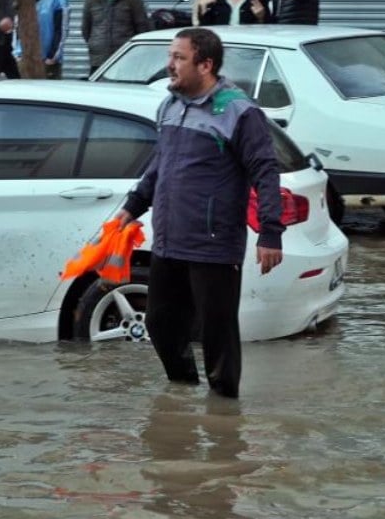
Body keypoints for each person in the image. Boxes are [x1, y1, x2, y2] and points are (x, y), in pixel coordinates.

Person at [115, 28, 283, 399]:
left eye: (179, 58)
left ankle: (224, 417)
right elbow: (160, 165)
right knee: (160, 323)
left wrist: (271, 232)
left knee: (216, 335)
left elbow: (265, 172)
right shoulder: (170, 106)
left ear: (205, 64)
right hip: (170, 239)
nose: (169, 65)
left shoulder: (239, 111)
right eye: (170, 56)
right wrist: (133, 205)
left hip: (213, 243)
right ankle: (183, 394)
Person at [82, 0, 151, 73]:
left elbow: (142, 30)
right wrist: (96, 45)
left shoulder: (133, 1)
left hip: (124, 61)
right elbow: (86, 31)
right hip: (98, 61)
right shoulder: (91, 1)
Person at [11, 0, 69, 79]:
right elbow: (17, 27)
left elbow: (61, 30)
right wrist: (18, 54)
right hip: (25, 62)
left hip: (48, 63)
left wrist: (52, 57)